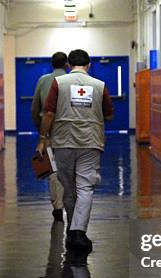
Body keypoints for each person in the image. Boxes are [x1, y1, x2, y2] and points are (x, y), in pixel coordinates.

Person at [36, 49, 114, 262]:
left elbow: (49, 112)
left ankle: (74, 229)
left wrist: (43, 139)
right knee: (86, 186)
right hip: (90, 142)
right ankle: (77, 231)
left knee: (68, 187)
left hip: (63, 142)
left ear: (70, 64)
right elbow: (109, 114)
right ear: (89, 65)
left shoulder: (59, 83)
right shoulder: (99, 85)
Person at [32, 52, 69, 222]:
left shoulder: (43, 80)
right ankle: (69, 202)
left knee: (53, 168)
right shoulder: (71, 81)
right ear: (67, 64)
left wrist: (41, 131)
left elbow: (35, 108)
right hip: (68, 130)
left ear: (52, 64)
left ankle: (57, 205)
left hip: (48, 130)